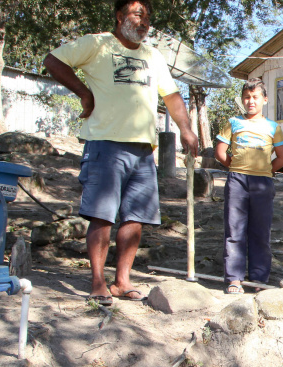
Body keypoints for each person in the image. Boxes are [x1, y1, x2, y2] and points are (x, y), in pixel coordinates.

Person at [44, 0, 198, 305]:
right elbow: (53, 61)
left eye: (147, 18)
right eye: (137, 14)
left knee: (135, 218)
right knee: (101, 217)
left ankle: (122, 280)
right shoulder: (97, 43)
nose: (143, 22)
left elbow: (172, 95)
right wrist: (84, 93)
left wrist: (186, 129)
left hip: (143, 149)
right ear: (119, 16)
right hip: (105, 143)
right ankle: (98, 282)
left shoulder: (152, 56)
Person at [213, 78, 283, 294]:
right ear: (242, 100)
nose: (250, 101)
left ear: (264, 99)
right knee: (234, 229)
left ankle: (258, 278)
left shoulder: (273, 127)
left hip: (263, 183)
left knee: (260, 231)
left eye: (255, 97)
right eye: (247, 97)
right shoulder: (233, 123)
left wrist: (266, 171)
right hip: (237, 181)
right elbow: (220, 152)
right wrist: (234, 167)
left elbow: (282, 158)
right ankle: (234, 279)